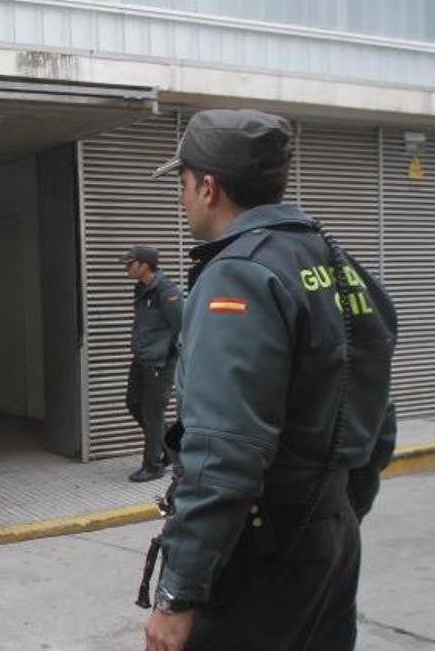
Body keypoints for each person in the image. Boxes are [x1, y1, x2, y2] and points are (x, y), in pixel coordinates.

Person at [140, 110, 397, 651]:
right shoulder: (336, 260)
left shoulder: (238, 273)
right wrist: (339, 507)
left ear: (208, 187)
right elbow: (377, 413)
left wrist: (178, 593)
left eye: (183, 185)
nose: (182, 199)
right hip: (329, 532)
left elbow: (223, 452)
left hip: (265, 547)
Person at [119, 244, 183, 482]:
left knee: (152, 413)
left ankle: (153, 465)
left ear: (145, 265)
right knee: (133, 404)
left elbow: (182, 327)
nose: (127, 268)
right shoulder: (141, 289)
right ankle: (167, 449)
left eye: (130, 263)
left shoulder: (166, 291)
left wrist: (167, 357)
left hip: (159, 363)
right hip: (141, 358)